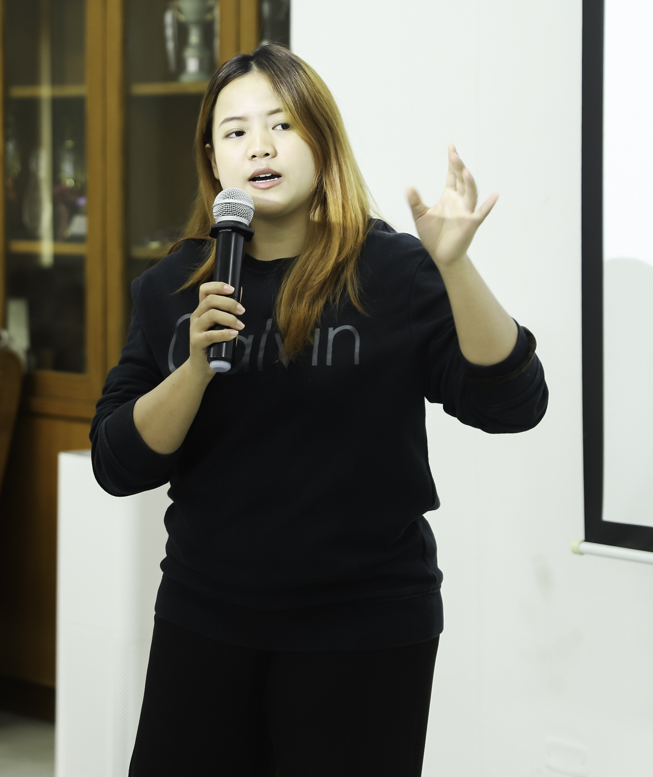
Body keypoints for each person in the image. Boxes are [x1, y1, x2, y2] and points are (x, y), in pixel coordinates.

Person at [91, 43, 548, 776]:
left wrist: (454, 267)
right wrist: (196, 368)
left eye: (283, 124)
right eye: (236, 131)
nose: (260, 146)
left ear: (322, 141)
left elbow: (512, 403)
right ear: (212, 158)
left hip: (364, 627)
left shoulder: (391, 270)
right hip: (205, 617)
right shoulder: (174, 286)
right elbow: (118, 463)